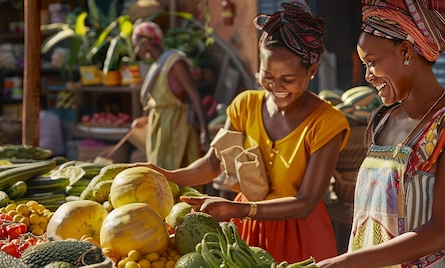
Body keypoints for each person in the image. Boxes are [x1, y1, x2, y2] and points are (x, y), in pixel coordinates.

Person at [133, 1, 350, 263]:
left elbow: (305, 202)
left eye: (288, 79)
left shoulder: (327, 122)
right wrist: (167, 175)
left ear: (312, 71)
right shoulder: (245, 105)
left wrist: (237, 208)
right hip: (247, 235)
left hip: (302, 236)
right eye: (267, 75)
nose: (276, 87)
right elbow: (213, 163)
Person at [317, 1, 445, 267]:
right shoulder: (381, 121)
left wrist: (346, 262)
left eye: (371, 62)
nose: (368, 76)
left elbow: (442, 231)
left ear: (406, 51)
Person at [130, 21, 211, 170]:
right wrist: (146, 119)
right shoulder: (156, 65)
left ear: (145, 42)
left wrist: (205, 132)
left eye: (136, 45)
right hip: (159, 130)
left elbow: (194, 95)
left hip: (176, 128)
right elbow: (159, 102)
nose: (136, 50)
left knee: (179, 175)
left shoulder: (175, 62)